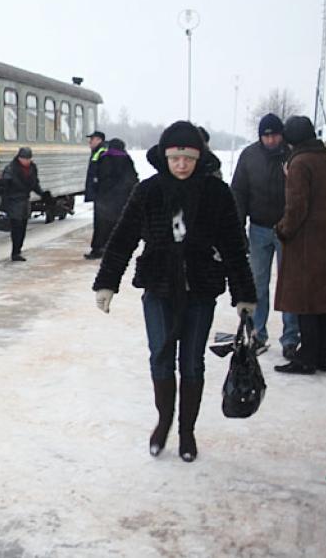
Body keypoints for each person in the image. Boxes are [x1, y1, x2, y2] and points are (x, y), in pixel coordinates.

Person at [92, 121, 256, 462]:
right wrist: (107, 282)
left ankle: (186, 431)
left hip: (200, 288)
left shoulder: (216, 193)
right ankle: (164, 420)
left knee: (192, 362)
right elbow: (123, 238)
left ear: (199, 158)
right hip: (158, 286)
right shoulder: (148, 191)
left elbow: (233, 246)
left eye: (189, 158)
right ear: (165, 157)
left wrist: (244, 293)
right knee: (160, 356)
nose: (182, 165)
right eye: (175, 158)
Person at [230, 113, 299, 358]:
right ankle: (257, 334)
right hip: (258, 228)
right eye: (266, 136)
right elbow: (238, 193)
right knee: (257, 283)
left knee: (289, 285)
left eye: (275, 135)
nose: (271, 140)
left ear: (282, 135)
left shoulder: (292, 155)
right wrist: (238, 227)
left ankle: (291, 338)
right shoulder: (249, 156)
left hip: (288, 229)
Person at [273, 116, 326, 374]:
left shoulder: (299, 163)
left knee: (305, 302)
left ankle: (306, 357)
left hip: (306, 243)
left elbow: (296, 206)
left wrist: (283, 230)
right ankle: (324, 356)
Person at [0, 146, 50, 262]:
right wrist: (2, 189)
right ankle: (15, 253)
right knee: (17, 227)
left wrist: (42, 194)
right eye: (25, 158)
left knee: (23, 227)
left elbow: (34, 184)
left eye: (28, 159)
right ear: (19, 158)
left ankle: (18, 250)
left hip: (25, 201)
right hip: (13, 201)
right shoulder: (11, 168)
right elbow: (4, 185)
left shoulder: (32, 168)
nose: (27, 161)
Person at [92, 138, 138, 253]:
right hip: (122, 197)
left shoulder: (104, 158)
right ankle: (118, 248)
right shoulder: (126, 159)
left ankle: (99, 248)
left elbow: (100, 176)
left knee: (102, 224)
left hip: (105, 197)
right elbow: (133, 178)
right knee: (120, 223)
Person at [84, 130, 107, 258]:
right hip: (100, 194)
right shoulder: (98, 151)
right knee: (100, 223)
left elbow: (101, 173)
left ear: (99, 140)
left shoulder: (102, 152)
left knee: (100, 223)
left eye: (92, 140)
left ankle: (98, 250)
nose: (90, 142)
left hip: (101, 195)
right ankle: (99, 248)